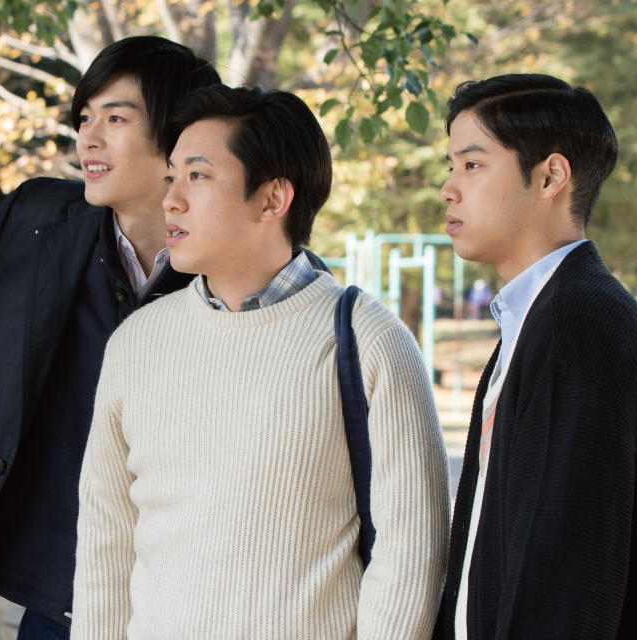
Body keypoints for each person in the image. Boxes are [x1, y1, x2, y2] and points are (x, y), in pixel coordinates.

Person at [0, 29, 222, 639]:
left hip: (185, 603)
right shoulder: (37, 225)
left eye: (115, 118)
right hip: (49, 596)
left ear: (178, 139)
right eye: (84, 117)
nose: (89, 137)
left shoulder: (230, 273)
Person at [71, 85, 451, 639]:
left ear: (273, 199)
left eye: (198, 176)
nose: (171, 200)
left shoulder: (368, 339)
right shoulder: (135, 343)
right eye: (172, 177)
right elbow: (106, 546)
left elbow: (413, 550)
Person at [432, 74, 637, 639]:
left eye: (472, 165)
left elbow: (564, 577)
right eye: (450, 166)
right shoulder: (539, 318)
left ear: (551, 176)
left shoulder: (579, 324)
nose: (448, 189)